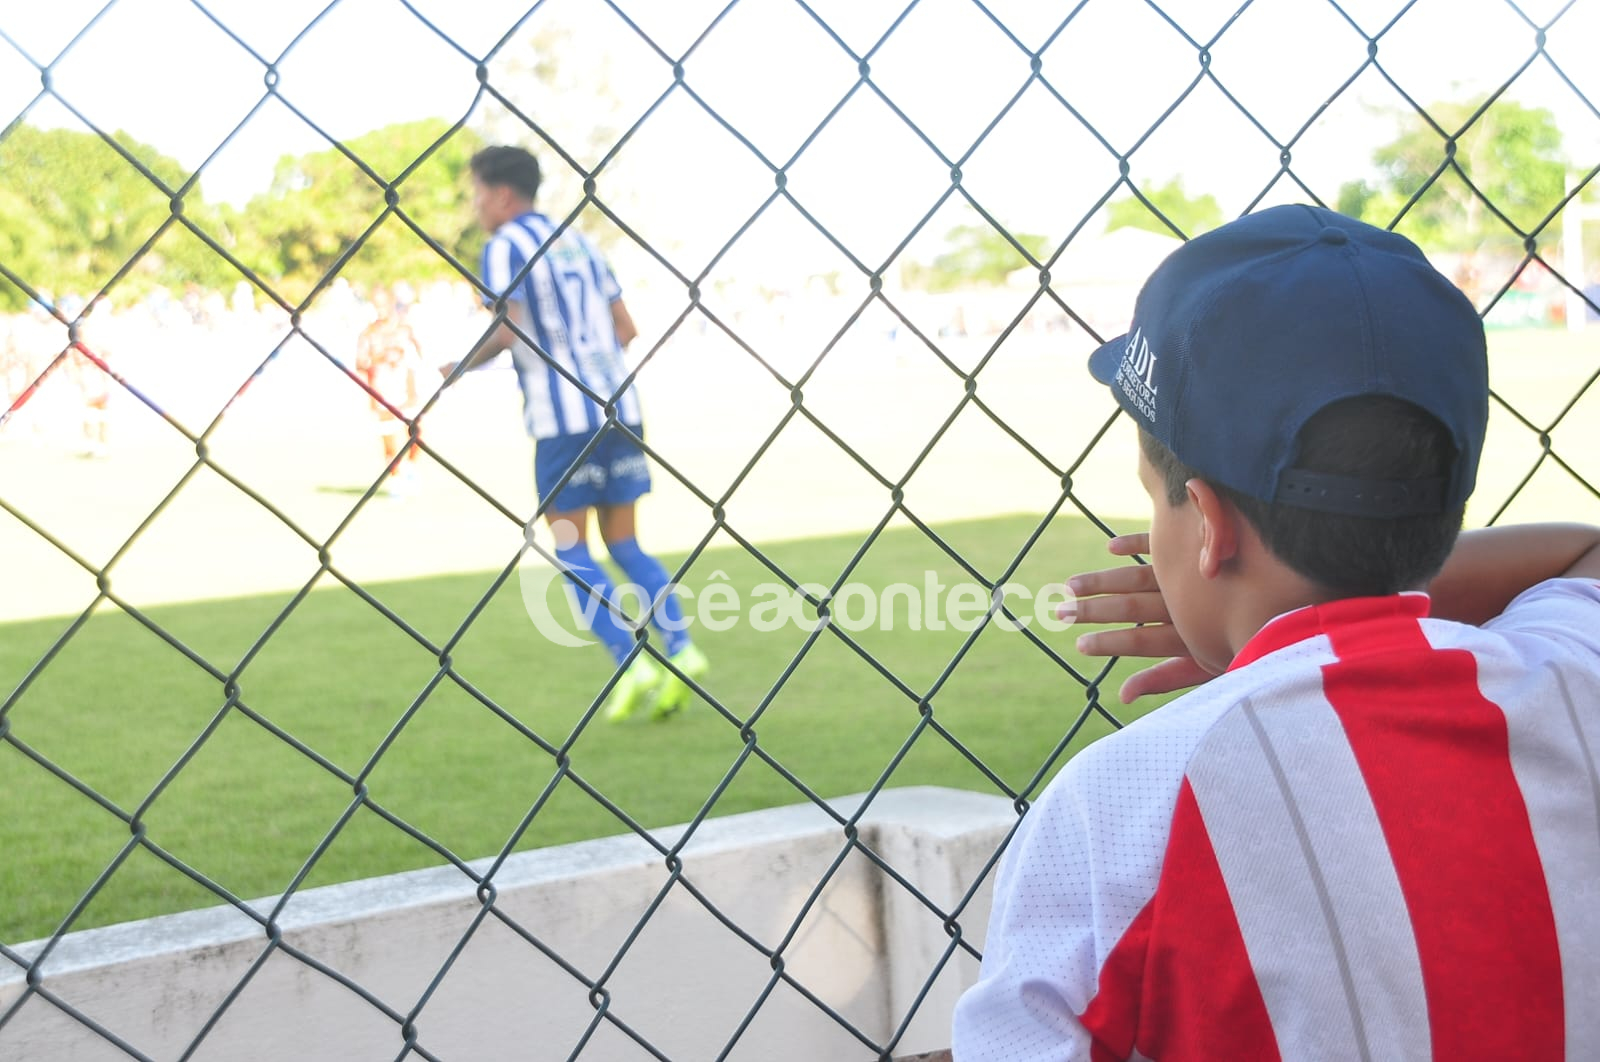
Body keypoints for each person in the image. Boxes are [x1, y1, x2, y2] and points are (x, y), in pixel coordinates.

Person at [951, 205, 1600, 1060]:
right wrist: (1353, 609)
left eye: (1154, 498)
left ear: (1209, 527)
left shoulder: (1120, 808)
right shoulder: (1572, 682)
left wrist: (1296, 636)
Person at [440, 145, 708, 722]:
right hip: (620, 408)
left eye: (477, 194)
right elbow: (625, 328)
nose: (475, 206)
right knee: (626, 543)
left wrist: (456, 368)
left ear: (501, 194)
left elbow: (506, 330)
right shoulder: (579, 242)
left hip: (562, 423)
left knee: (570, 548)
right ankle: (683, 648)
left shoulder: (504, 246)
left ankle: (630, 663)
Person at [355, 284, 427, 495]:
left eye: (383, 305)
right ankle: (396, 480)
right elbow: (360, 363)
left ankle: (411, 468)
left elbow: (420, 354)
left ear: (391, 304)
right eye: (376, 305)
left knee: (416, 433)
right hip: (382, 392)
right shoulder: (368, 333)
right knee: (389, 440)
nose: (380, 310)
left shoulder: (405, 329)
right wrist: (379, 359)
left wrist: (409, 360)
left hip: (407, 389)